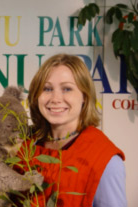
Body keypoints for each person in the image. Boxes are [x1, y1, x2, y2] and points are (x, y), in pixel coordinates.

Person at [19, 53, 127, 206]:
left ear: (85, 96)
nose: (55, 99)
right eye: (47, 89)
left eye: (67, 89)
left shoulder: (106, 161)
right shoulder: (21, 146)